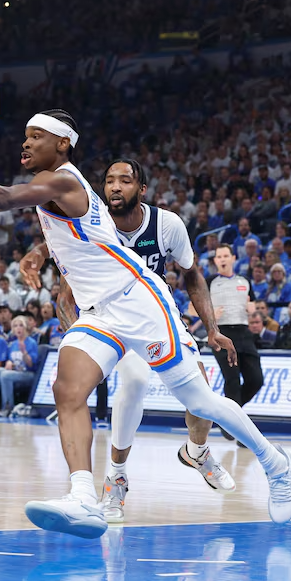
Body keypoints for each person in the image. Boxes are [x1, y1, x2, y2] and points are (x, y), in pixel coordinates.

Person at [0, 108, 291, 539]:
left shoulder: (63, 180)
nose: (26, 143)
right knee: (67, 389)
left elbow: (5, 198)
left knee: (199, 400)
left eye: (36, 136)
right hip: (99, 311)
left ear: (63, 144)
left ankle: (275, 464)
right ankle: (84, 496)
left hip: (137, 299)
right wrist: (39, 254)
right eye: (25, 135)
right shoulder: (64, 189)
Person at [67, 158, 237, 522]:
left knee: (202, 397)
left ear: (141, 189)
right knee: (135, 381)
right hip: (112, 321)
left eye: (124, 180)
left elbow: (192, 275)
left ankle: (196, 451)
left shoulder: (167, 224)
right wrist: (81, 339)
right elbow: (66, 290)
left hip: (157, 317)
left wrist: (211, 328)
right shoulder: (92, 224)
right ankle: (116, 478)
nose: (115, 186)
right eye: (109, 180)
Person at [207, 244, 265, 438]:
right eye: (219, 257)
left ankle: (228, 417)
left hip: (243, 332)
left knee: (256, 379)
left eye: (225, 256)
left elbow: (252, 305)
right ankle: (238, 429)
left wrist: (252, 309)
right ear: (215, 261)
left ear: (233, 258)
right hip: (221, 333)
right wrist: (209, 315)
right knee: (232, 379)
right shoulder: (209, 281)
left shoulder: (244, 280)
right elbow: (191, 308)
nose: (222, 259)